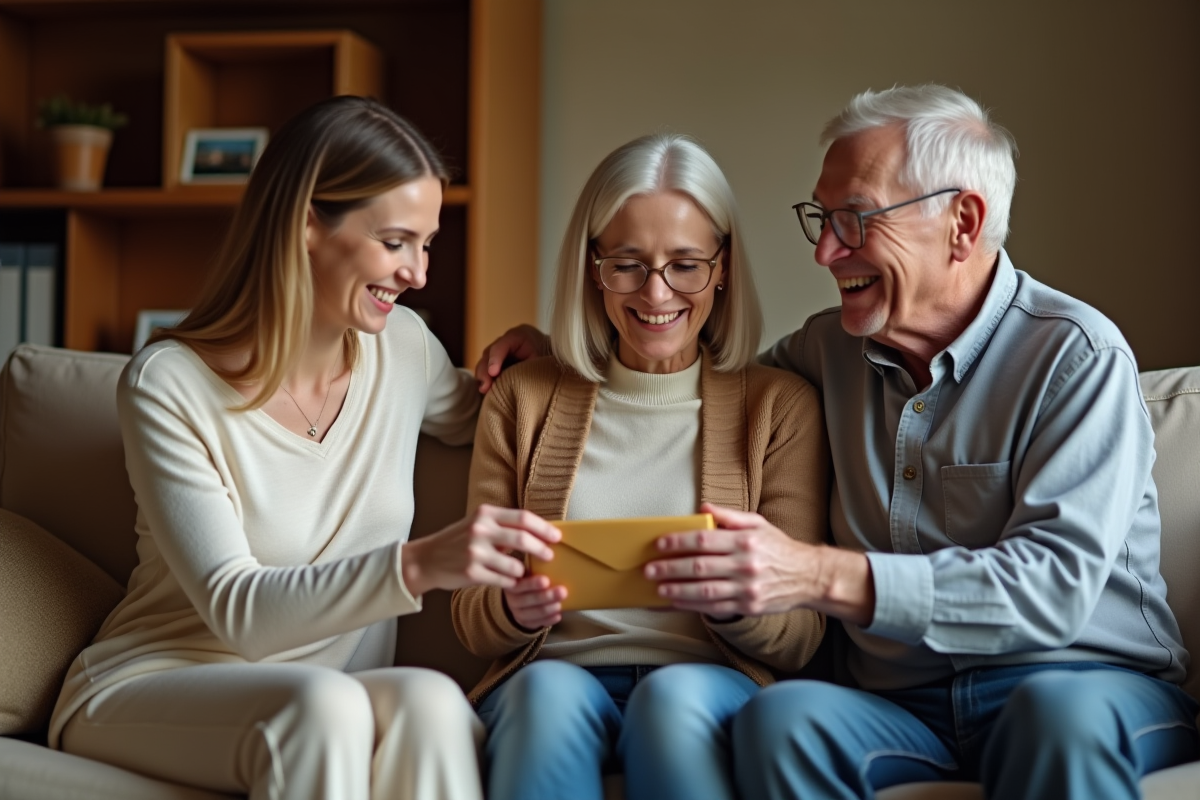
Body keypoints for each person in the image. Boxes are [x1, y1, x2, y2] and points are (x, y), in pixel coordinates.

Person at [474, 85, 1198, 800]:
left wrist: (821, 575)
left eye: (854, 219)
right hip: (902, 706)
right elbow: (688, 376)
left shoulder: (1076, 356)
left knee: (1054, 719)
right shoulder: (826, 354)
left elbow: (1053, 591)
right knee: (784, 719)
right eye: (821, 219)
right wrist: (564, 352)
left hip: (1077, 681)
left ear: (962, 223)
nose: (825, 251)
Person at [48, 96, 562, 800]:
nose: (418, 273)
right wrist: (422, 563)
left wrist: (542, 361)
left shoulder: (404, 350)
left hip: (325, 695)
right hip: (158, 683)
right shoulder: (169, 386)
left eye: (428, 243)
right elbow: (239, 610)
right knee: (326, 706)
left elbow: (493, 419)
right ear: (307, 226)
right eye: (395, 241)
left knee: (433, 701)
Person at [451, 132, 829, 800]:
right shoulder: (523, 397)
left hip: (710, 680)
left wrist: (738, 607)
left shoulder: (780, 408)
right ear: (592, 268)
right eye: (627, 264)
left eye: (685, 264)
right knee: (543, 694)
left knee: (670, 701)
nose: (656, 293)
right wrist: (513, 609)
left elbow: (801, 635)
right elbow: (471, 614)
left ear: (723, 267)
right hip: (552, 673)